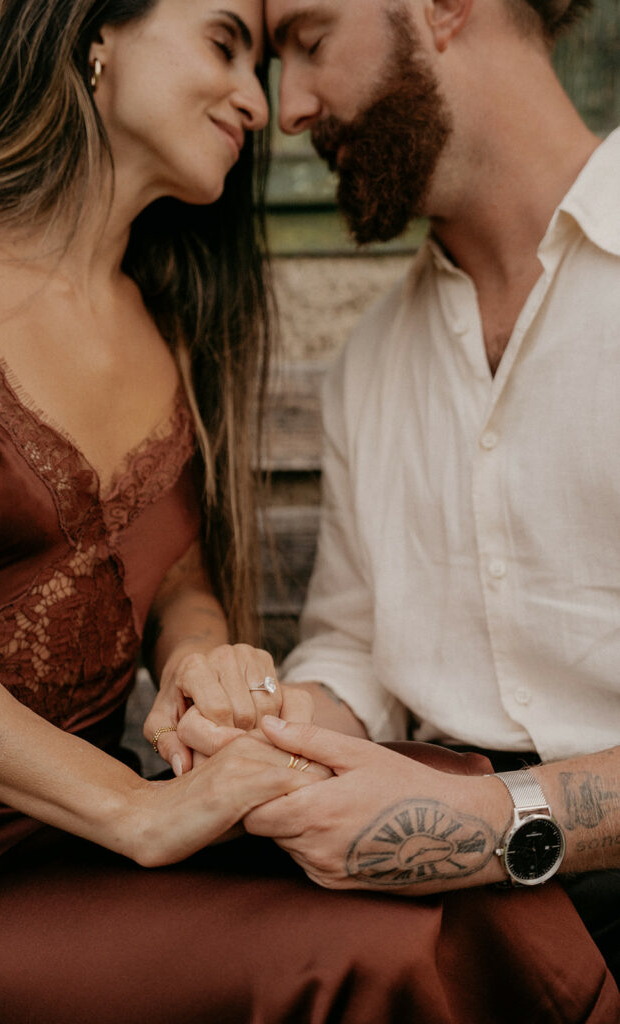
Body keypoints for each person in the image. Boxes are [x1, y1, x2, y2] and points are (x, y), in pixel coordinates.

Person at [233, 0, 618, 988]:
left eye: (309, 44)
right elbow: (354, 644)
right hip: (419, 892)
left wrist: (490, 824)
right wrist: (268, 726)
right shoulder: (370, 361)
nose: (289, 109)